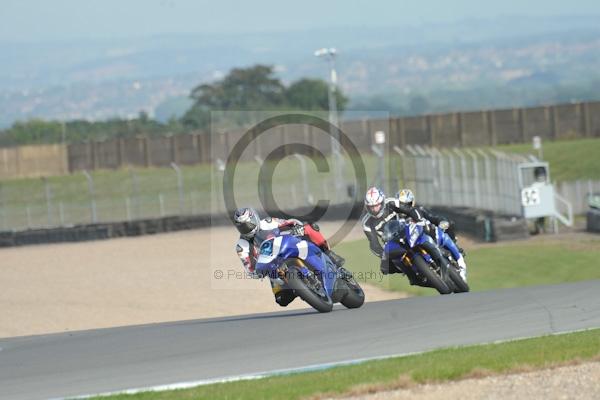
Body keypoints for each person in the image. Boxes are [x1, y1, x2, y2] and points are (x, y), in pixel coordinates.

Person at [233, 207, 345, 307]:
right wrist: (257, 272)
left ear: (255, 219)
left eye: (249, 224)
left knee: (309, 227)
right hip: (273, 268)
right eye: (242, 227)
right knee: (281, 300)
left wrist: (297, 227)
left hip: (287, 247)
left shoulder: (268, 222)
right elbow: (249, 267)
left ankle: (328, 252)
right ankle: (301, 289)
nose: (247, 229)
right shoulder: (242, 245)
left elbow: (290, 222)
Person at [395, 189, 467, 281]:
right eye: (401, 205)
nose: (403, 208)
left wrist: (440, 221)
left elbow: (432, 217)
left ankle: (456, 250)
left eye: (406, 204)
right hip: (411, 244)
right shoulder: (396, 219)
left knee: (447, 225)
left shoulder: (418, 210)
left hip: (428, 235)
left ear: (411, 203)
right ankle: (416, 274)